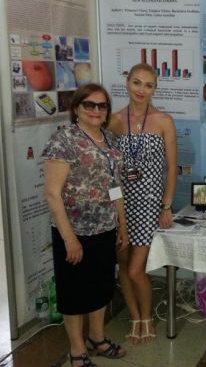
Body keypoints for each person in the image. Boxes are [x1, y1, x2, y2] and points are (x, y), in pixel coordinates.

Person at [43, 84, 128, 367]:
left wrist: (122, 224)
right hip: (74, 232)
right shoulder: (63, 140)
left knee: (101, 288)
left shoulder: (110, 139)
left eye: (101, 105)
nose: (95, 110)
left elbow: (115, 186)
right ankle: (77, 350)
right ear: (76, 108)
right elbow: (52, 193)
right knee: (75, 293)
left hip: (105, 228)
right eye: (89, 105)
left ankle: (97, 338)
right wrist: (69, 239)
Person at [108, 63, 177, 345]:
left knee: (137, 269)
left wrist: (166, 206)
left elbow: (171, 168)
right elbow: (109, 169)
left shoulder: (163, 121)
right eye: (137, 82)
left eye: (148, 85)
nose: (141, 90)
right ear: (127, 83)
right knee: (123, 264)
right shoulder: (113, 121)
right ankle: (135, 317)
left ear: (155, 89)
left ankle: (147, 316)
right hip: (120, 201)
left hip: (149, 202)